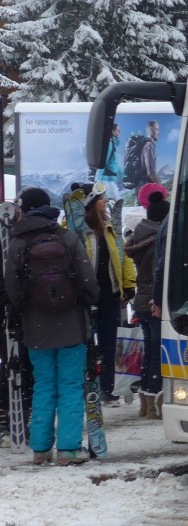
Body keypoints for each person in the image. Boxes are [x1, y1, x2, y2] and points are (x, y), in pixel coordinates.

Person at [3, 187, 99, 465]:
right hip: (71, 321)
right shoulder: (66, 237)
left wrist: (25, 310)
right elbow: (86, 277)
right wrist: (88, 301)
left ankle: (41, 448)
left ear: (25, 209)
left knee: (44, 384)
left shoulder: (17, 242)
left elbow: (12, 285)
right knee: (70, 384)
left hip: (36, 326)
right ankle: (69, 450)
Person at [80, 183, 137, 406]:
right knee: (84, 343)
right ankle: (86, 388)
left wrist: (128, 283)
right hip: (84, 295)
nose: (105, 202)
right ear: (90, 203)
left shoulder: (108, 228)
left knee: (109, 343)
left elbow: (123, 258)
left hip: (109, 292)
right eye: (101, 199)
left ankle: (107, 388)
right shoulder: (76, 229)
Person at [126, 185, 168, 418]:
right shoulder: (158, 241)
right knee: (157, 353)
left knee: (149, 351)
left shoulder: (138, 235)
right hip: (154, 302)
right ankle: (154, 402)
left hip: (141, 300)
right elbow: (159, 274)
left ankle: (145, 401)